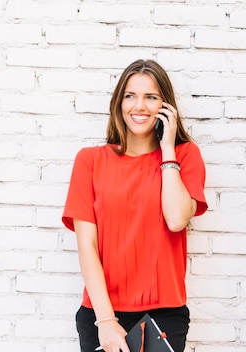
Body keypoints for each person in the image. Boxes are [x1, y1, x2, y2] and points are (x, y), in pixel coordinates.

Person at [62, 59, 208, 352]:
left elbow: (177, 219)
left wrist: (168, 151)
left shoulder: (185, 156)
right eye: (130, 96)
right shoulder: (90, 161)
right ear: (119, 102)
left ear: (166, 106)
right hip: (102, 314)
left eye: (151, 97)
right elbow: (87, 246)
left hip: (164, 316)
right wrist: (105, 321)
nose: (139, 106)